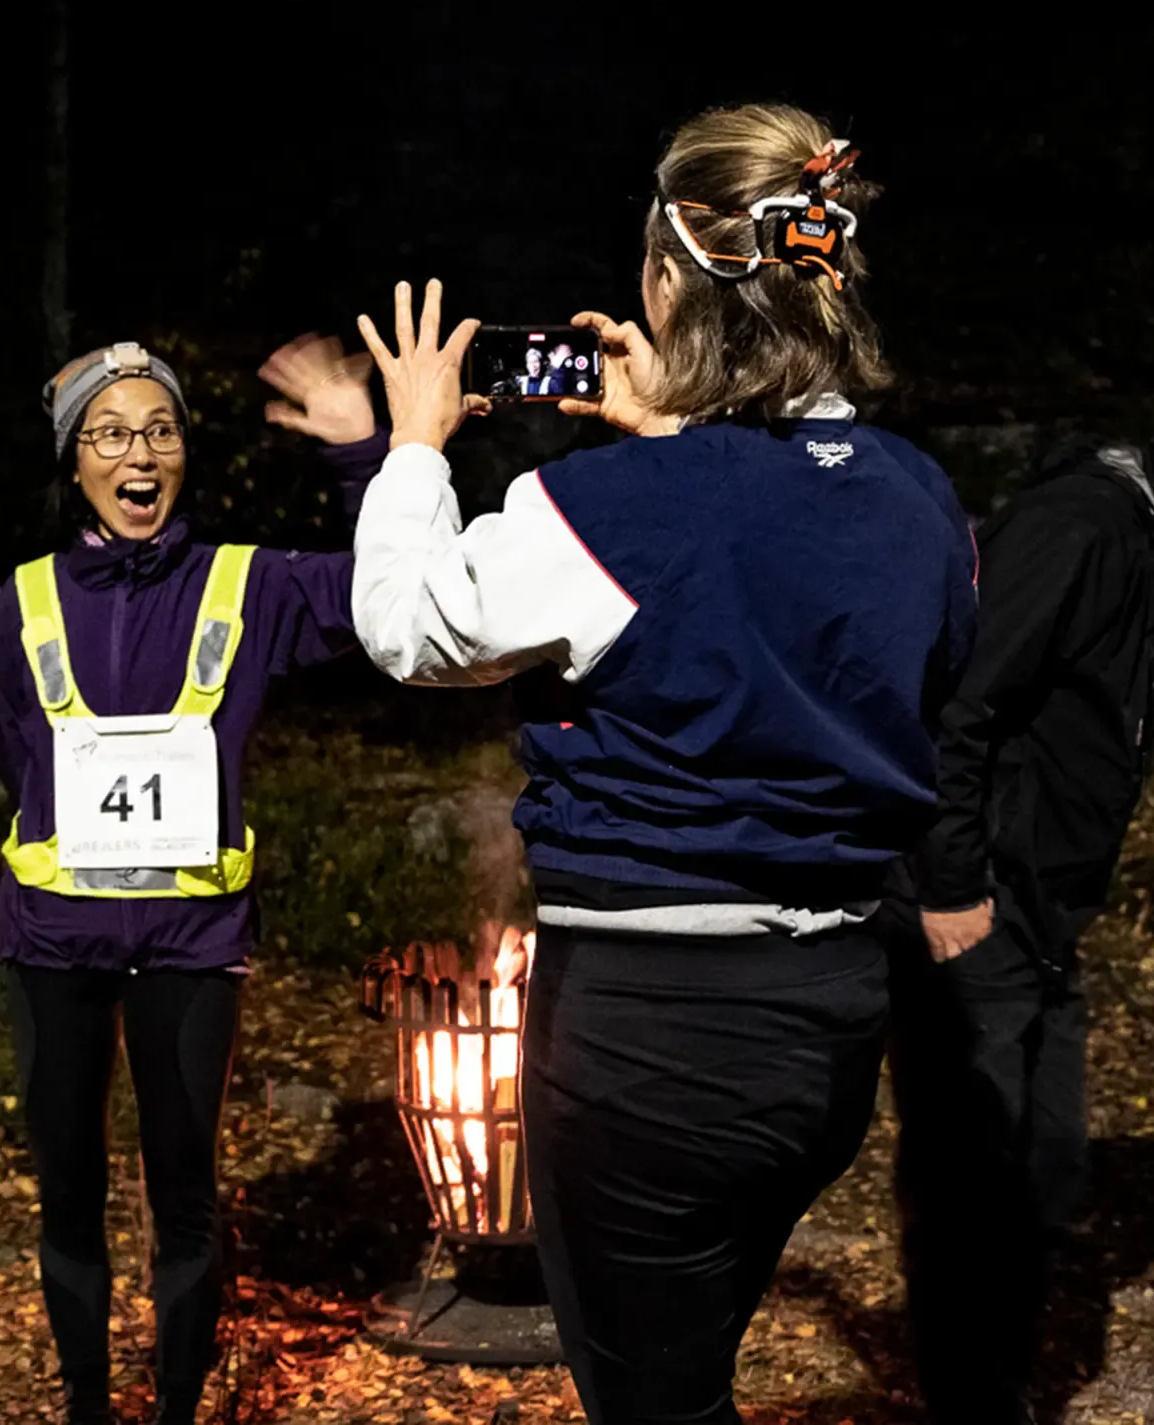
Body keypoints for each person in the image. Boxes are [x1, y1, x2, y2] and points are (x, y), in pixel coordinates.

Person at [351, 101, 977, 1425]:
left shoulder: (612, 511)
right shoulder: (918, 493)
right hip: (827, 1020)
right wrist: (676, 437)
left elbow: (411, 632)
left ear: (662, 278)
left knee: (649, 1401)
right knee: (689, 1364)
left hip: (652, 1032)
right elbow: (828, 607)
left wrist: (414, 442)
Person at [0, 335, 385, 1425]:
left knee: (185, 1190)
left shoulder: (245, 584)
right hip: (51, 946)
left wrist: (364, 457)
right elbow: (14, 756)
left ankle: (173, 1409)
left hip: (191, 945)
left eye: (160, 429)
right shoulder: (23, 599)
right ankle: (84, 1406)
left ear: (183, 453)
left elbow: (390, 591)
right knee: (67, 1191)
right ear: (75, 460)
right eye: (111, 433)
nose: (140, 452)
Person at [886, 431, 1154, 1424]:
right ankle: (975, 1400)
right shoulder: (1078, 529)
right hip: (983, 901)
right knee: (975, 1184)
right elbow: (958, 701)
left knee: (1047, 1172)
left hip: (1045, 908)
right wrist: (953, 882)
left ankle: (997, 1385)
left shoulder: (1129, 539)